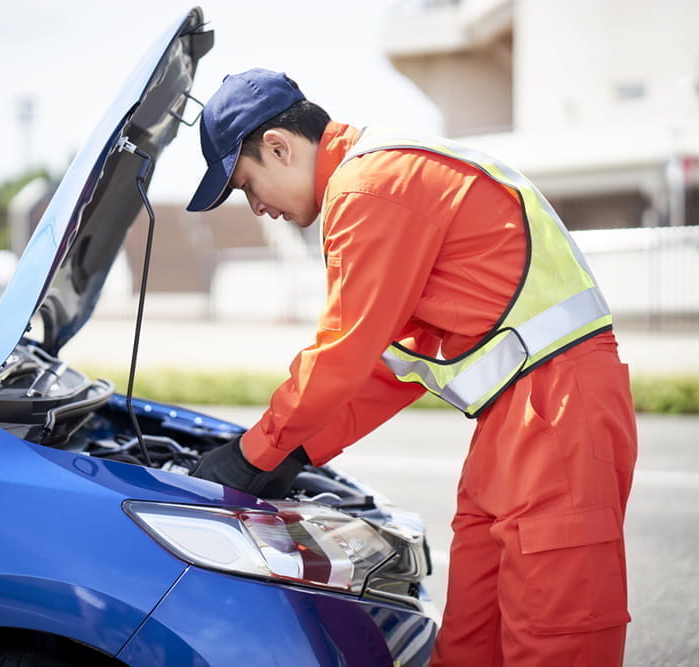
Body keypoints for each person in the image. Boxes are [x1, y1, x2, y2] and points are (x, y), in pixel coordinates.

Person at [186, 68, 637, 666]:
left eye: (247, 185)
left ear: (279, 146)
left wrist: (254, 454)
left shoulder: (368, 187)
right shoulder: (382, 179)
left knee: (553, 641)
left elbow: (341, 352)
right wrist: (296, 451)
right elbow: (392, 362)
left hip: (558, 415)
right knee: (474, 642)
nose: (258, 207)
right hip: (515, 420)